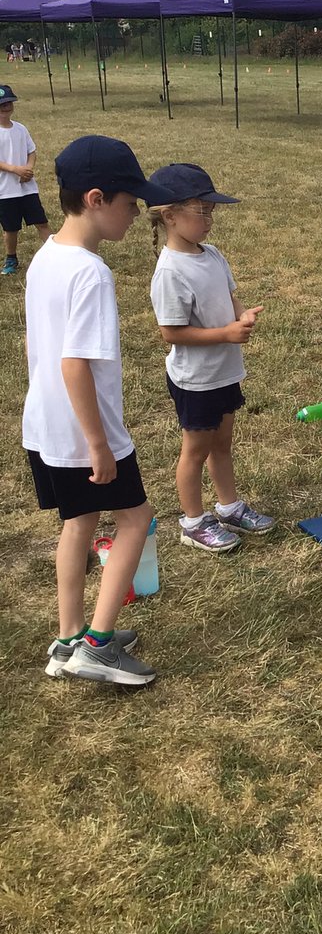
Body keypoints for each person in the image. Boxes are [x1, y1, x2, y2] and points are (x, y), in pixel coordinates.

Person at [23, 135, 176, 685]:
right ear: (95, 199)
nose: (135, 213)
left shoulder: (45, 256)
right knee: (134, 519)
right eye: (129, 202)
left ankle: (68, 639)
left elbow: (35, 346)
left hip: (44, 426)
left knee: (78, 523)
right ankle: (98, 645)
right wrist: (98, 444)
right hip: (84, 433)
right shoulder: (91, 272)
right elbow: (74, 365)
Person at [148, 162, 274, 552]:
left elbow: (230, 295)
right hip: (196, 380)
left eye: (211, 211)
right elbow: (171, 332)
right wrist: (226, 334)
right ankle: (192, 522)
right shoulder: (170, 272)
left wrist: (241, 316)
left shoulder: (213, 254)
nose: (209, 220)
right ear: (170, 216)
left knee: (222, 443)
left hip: (223, 371)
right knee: (195, 450)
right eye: (201, 211)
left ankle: (229, 507)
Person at [0, 83, 50, 275]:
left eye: (9, 103)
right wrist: (15, 170)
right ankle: (11, 258)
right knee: (11, 228)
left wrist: (28, 169)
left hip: (27, 188)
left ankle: (56, 254)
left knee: (41, 222)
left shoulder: (21, 129)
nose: (6, 107)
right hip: (6, 190)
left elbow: (31, 151)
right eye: (2, 105)